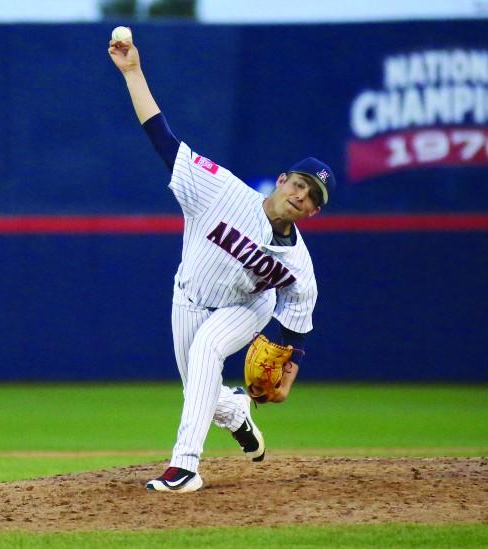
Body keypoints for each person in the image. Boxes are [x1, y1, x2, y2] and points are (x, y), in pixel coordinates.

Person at [108, 31, 335, 493]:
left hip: (245, 308)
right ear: (283, 179)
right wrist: (133, 71)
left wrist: (288, 375)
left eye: (312, 198)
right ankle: (234, 412)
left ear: (314, 211)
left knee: (209, 349)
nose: (301, 197)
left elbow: (295, 324)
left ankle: (184, 467)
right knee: (201, 393)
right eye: (299, 185)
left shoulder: (298, 263)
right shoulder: (222, 190)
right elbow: (162, 138)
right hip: (188, 296)